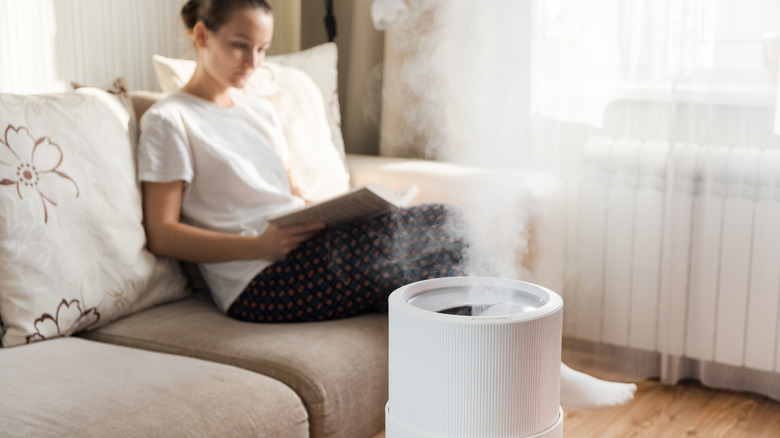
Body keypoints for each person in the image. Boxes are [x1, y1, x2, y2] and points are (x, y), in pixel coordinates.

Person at [138, 0, 636, 410]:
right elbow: (162, 233)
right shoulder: (171, 120)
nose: (252, 62)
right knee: (445, 221)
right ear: (202, 37)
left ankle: (511, 385)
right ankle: (542, 371)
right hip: (257, 281)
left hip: (301, 246)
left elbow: (288, 193)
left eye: (263, 49)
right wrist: (260, 244)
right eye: (239, 46)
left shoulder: (260, 110)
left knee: (428, 272)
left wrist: (336, 212)